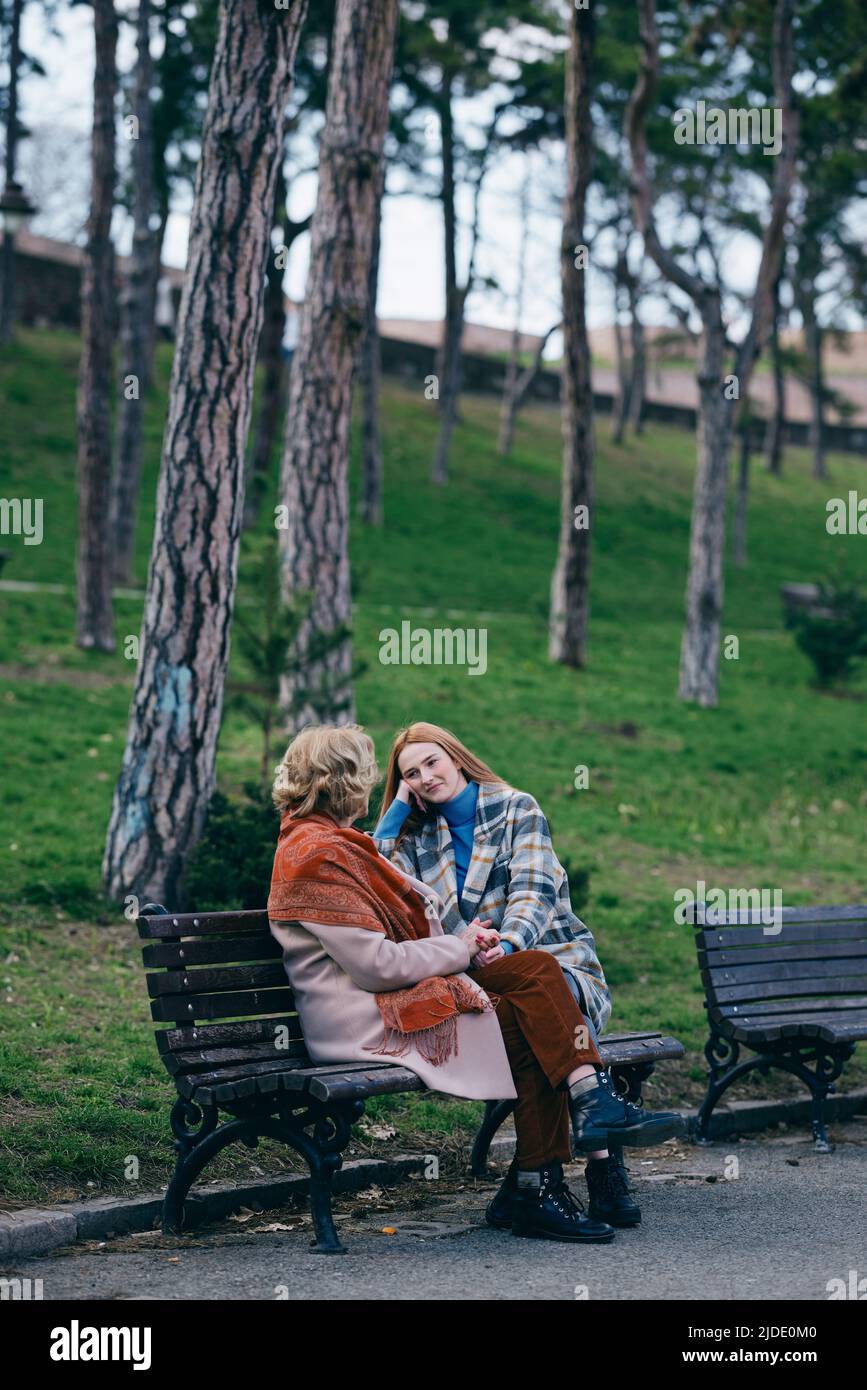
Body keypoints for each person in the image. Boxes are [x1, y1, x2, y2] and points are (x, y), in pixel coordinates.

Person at [268, 724, 679, 1244]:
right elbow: (375, 958)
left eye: (431, 764)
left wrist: (494, 945)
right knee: (531, 1009)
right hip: (376, 1009)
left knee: (538, 974)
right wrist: (462, 946)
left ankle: (562, 1154)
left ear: (457, 758)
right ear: (347, 781)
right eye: (401, 774)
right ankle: (552, 1170)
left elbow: (531, 894)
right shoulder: (324, 850)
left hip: (506, 960)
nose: (413, 779)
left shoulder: (507, 810)